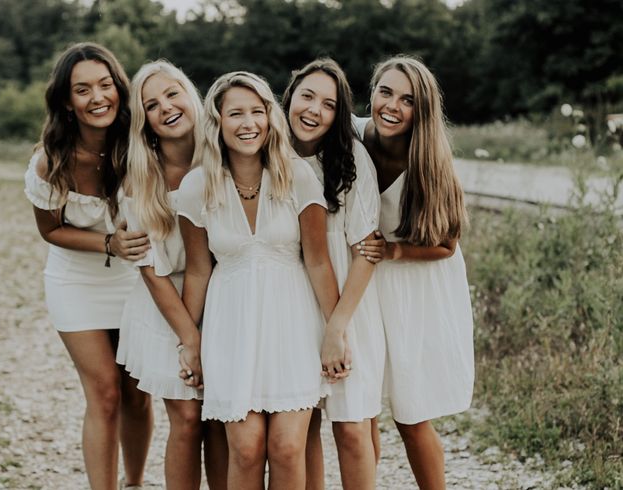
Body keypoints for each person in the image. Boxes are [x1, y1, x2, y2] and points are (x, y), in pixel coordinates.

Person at [177, 71, 339, 489]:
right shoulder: (196, 187)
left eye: (257, 111)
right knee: (246, 450)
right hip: (231, 326)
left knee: (287, 449)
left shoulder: (298, 176)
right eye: (236, 114)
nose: (248, 123)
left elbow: (319, 262)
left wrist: (336, 331)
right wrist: (188, 342)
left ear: (270, 117)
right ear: (217, 121)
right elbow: (197, 270)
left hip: (292, 323)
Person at [23, 42, 153, 490]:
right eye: (83, 89)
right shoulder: (50, 160)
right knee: (104, 393)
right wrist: (108, 243)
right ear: (66, 100)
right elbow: (51, 230)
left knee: (138, 396)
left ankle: (135, 482)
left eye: (105, 85)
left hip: (137, 281)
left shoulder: (139, 145)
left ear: (119, 88)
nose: (97, 97)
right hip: (75, 282)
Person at [354, 55, 475, 490]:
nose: (392, 105)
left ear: (421, 109)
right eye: (385, 92)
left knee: (410, 413)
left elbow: (447, 244)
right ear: (372, 92)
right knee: (360, 407)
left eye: (407, 100)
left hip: (414, 284)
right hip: (364, 280)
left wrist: (396, 250)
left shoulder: (431, 161)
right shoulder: (350, 134)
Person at [115, 60, 227, 490]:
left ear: (191, 96)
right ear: (145, 123)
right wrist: (189, 339)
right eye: (152, 105)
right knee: (185, 416)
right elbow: (152, 273)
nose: (166, 107)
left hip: (223, 296)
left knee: (219, 416)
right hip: (165, 307)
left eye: (173, 94)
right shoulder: (141, 180)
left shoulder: (223, 154)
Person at [283, 58, 386, 490]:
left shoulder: (350, 158)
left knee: (351, 425)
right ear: (288, 97)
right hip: (289, 300)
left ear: (338, 114)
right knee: (302, 427)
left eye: (328, 104)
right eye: (307, 96)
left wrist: (337, 326)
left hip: (347, 303)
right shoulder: (268, 152)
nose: (314, 110)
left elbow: (366, 250)